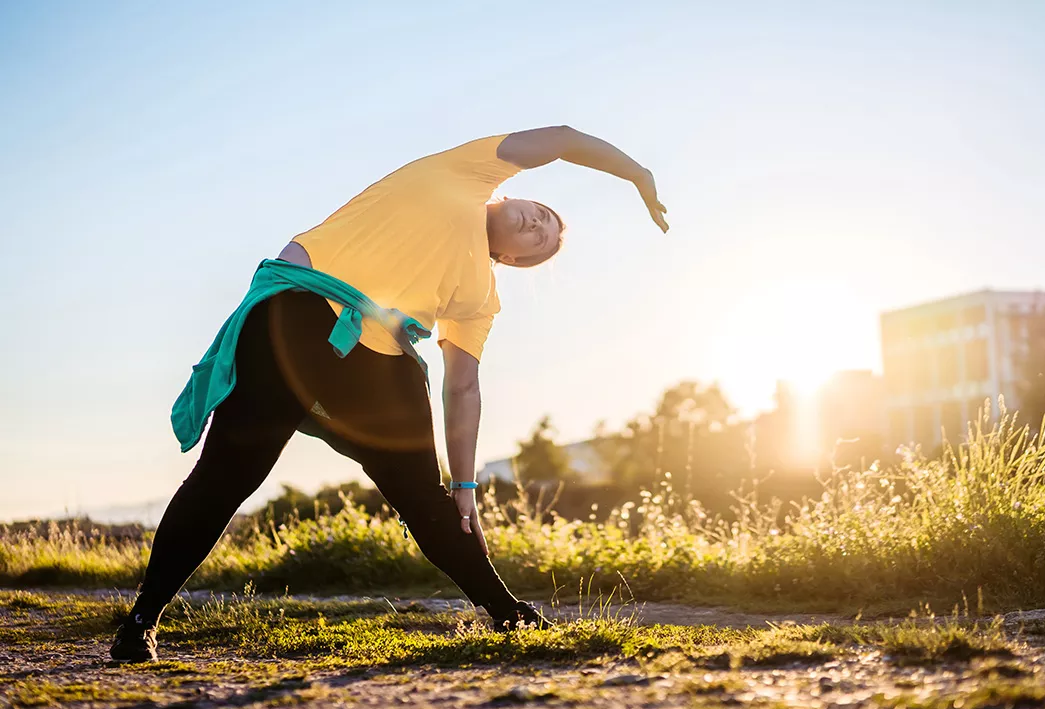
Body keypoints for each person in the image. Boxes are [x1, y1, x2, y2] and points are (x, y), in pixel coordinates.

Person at [109, 126, 669, 662]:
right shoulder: (466, 171)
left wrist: (468, 483)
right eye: (542, 215)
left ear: (515, 261)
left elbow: (464, 387)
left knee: (429, 500)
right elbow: (566, 138)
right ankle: (142, 621)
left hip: (375, 368)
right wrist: (635, 171)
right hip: (297, 318)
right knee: (226, 477)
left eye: (541, 240)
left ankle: (509, 615)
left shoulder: (481, 298)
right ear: (517, 192)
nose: (538, 225)